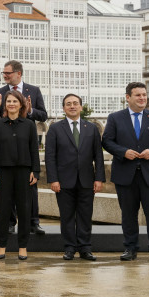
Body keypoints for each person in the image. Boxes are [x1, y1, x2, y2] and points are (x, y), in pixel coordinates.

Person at [102, 82, 149, 263]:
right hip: (126, 175)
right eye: (138, 95)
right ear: (128, 97)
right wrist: (123, 152)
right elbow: (107, 141)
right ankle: (130, 248)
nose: (142, 98)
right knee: (128, 214)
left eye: (144, 95)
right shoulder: (115, 118)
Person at [0, 59, 47, 235]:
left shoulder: (34, 91)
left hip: (26, 143)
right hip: (6, 145)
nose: (4, 76)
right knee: (7, 189)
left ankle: (33, 222)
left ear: (18, 73)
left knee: (31, 187)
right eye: (3, 73)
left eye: (7, 73)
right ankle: (10, 223)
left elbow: (43, 115)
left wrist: (30, 111)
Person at [45, 93, 105, 261]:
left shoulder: (91, 128)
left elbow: (98, 156)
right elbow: (50, 157)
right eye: (68, 104)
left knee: (85, 215)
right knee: (67, 216)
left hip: (87, 180)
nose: (72, 106)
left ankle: (85, 248)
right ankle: (70, 247)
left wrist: (99, 178)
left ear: (81, 107)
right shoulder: (55, 128)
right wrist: (53, 179)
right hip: (63, 182)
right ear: (64, 108)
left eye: (75, 103)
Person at [0, 90, 40, 260]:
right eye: (8, 101)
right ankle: (1, 245)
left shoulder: (29, 125)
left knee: (25, 210)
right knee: (3, 210)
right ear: (5, 104)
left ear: (21, 104)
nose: (11, 104)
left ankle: (23, 246)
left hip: (24, 172)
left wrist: (36, 171)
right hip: (3, 173)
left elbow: (34, 150)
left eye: (14, 101)